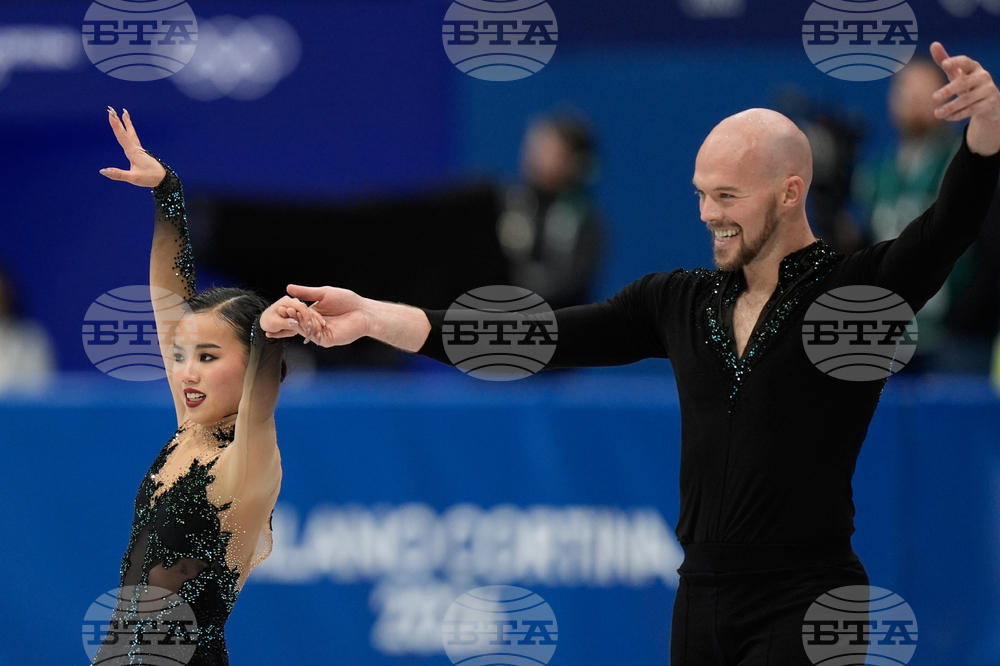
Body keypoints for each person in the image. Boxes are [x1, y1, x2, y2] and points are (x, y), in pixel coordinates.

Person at [264, 42, 1000, 665]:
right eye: (700, 193)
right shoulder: (679, 301)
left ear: (789, 192)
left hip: (809, 601)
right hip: (701, 603)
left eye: (728, 196)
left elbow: (948, 226)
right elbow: (535, 338)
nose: (708, 213)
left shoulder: (853, 294)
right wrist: (374, 318)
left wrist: (987, 127)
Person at [95, 107, 324, 665]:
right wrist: (167, 192)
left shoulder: (245, 463)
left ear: (248, 366)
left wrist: (270, 338)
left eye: (207, 356)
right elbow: (168, 296)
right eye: (180, 356)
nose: (185, 371)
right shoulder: (189, 434)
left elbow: (261, 407)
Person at [496, 114, 604, 308]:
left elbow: (568, 284)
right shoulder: (506, 204)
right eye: (534, 147)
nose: (535, 156)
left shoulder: (586, 222)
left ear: (574, 161)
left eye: (549, 149)